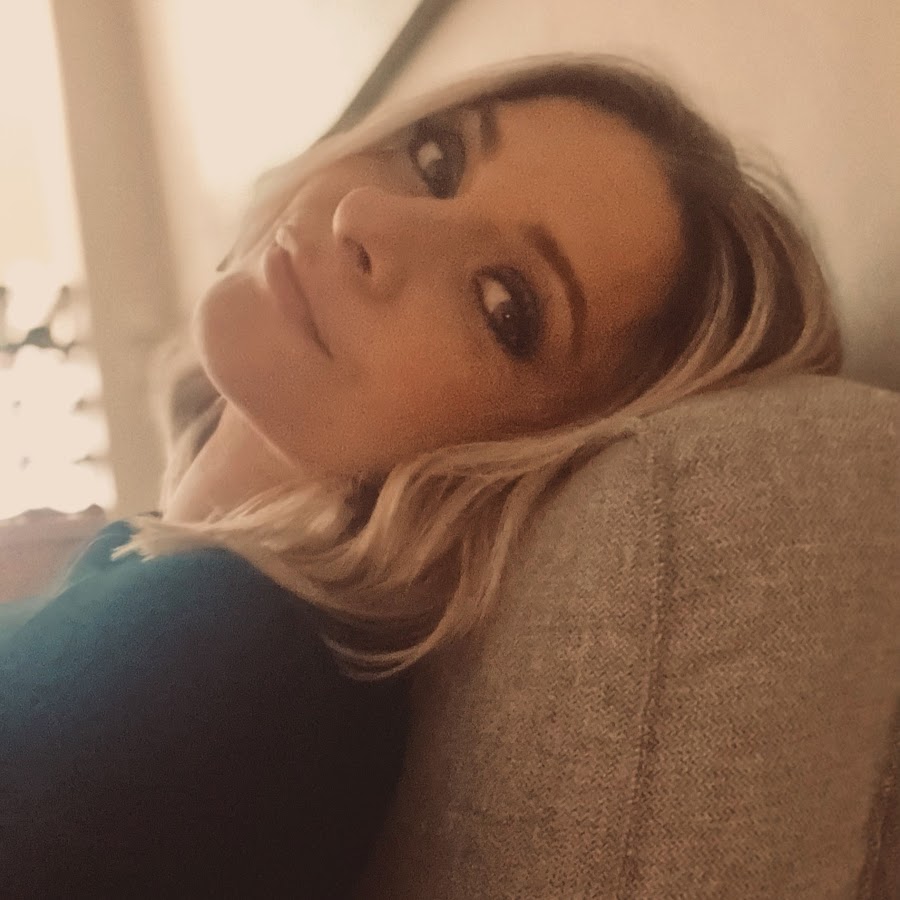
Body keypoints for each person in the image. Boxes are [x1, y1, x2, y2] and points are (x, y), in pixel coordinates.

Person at [0, 53, 842, 896]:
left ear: (532, 457)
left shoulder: (232, 650)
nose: (367, 219)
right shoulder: (159, 574)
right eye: (436, 158)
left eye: (504, 304)